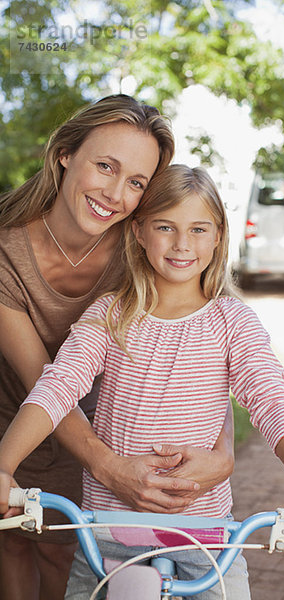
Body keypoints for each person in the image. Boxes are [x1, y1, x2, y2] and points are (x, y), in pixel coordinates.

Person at [0, 164, 284, 599]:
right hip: (107, 534)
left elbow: (272, 400)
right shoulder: (111, 314)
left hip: (206, 540)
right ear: (140, 231)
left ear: (219, 235)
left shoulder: (231, 321)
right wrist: (4, 465)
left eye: (199, 229)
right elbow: (58, 385)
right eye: (166, 227)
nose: (183, 244)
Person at [0, 97, 234, 599]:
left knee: (68, 553)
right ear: (65, 153)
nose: (114, 193)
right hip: (22, 415)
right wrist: (106, 468)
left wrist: (224, 454)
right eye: (105, 166)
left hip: (108, 423)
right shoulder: (6, 248)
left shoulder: (145, 247)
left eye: (137, 182)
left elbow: (209, 350)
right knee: (14, 544)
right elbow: (48, 379)